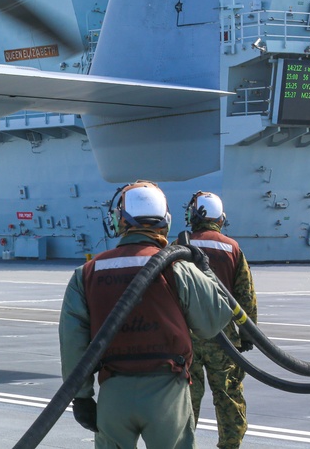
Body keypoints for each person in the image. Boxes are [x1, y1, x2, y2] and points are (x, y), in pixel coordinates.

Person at [59, 181, 235, 448]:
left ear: (120, 220)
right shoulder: (178, 267)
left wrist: (81, 397)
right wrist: (205, 270)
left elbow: (73, 341)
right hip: (167, 392)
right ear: (165, 220)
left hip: (114, 391)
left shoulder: (87, 273)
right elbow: (214, 321)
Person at [183, 191, 258, 449]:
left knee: (185, 398)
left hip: (186, 337)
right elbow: (245, 296)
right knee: (228, 395)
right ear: (221, 218)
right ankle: (230, 444)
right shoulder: (232, 248)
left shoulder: (179, 246)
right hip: (223, 337)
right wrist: (248, 335)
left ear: (193, 216)